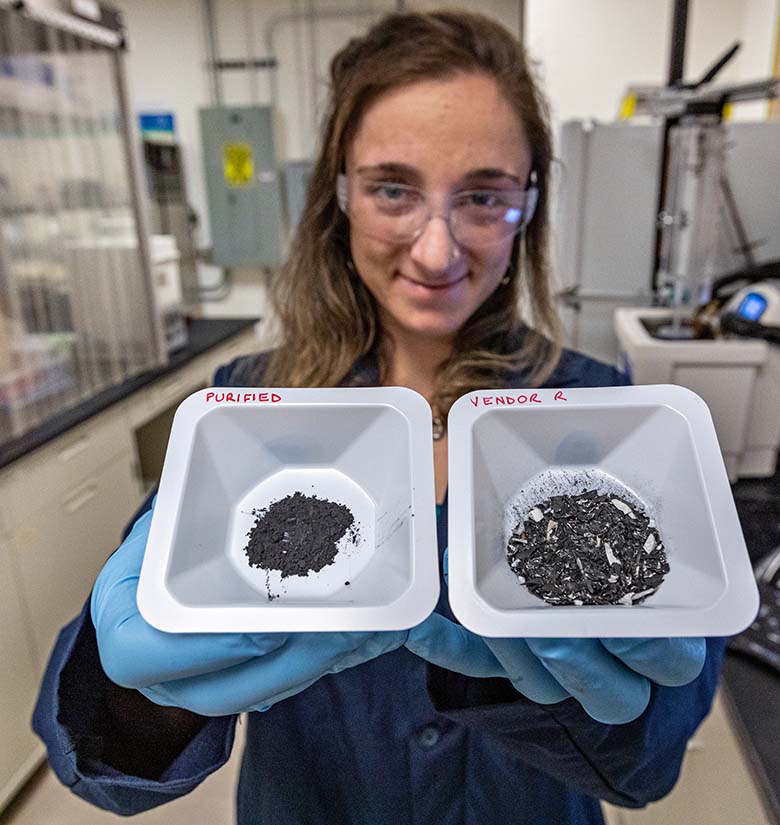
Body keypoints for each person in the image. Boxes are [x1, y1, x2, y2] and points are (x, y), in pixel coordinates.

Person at [33, 10, 724, 825]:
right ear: (340, 196)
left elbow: (649, 760)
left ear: (528, 206)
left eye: (482, 197)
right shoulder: (246, 409)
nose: (436, 251)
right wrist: (148, 700)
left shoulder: (606, 414)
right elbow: (101, 753)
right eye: (393, 189)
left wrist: (612, 707)